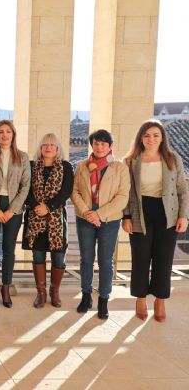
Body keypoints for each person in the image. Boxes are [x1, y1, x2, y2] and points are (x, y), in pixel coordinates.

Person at [122, 120, 188, 322]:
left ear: (162, 138)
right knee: (140, 257)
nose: (151, 139)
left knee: (163, 258)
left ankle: (160, 299)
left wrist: (184, 216)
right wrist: (126, 216)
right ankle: (140, 298)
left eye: (156, 135)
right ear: (141, 138)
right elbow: (126, 192)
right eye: (147, 135)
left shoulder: (173, 158)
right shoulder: (131, 160)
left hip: (167, 213)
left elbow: (182, 190)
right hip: (140, 212)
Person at [71, 129, 129, 319]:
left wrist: (99, 214)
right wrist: (88, 214)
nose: (99, 147)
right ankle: (86, 296)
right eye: (96, 143)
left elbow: (122, 197)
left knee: (105, 261)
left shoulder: (120, 168)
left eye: (103, 143)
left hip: (109, 220)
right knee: (86, 259)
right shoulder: (82, 166)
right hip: (85, 219)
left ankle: (103, 299)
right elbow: (75, 192)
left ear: (110, 146)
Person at [0, 120, 30, 308]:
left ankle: (6, 287)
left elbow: (26, 186)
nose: (4, 135)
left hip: (13, 207)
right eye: (0, 132)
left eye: (8, 131)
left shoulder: (22, 157)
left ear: (13, 134)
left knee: (9, 249)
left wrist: (11, 210)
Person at [22, 133, 74, 308]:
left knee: (58, 258)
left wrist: (49, 207)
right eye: (45, 145)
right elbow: (25, 190)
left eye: (52, 145)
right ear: (40, 148)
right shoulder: (31, 166)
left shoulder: (66, 167)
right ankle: (41, 293)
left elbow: (66, 192)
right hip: (35, 218)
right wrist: (37, 205)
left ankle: (55, 292)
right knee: (38, 256)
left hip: (56, 219)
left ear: (57, 148)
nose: (48, 147)